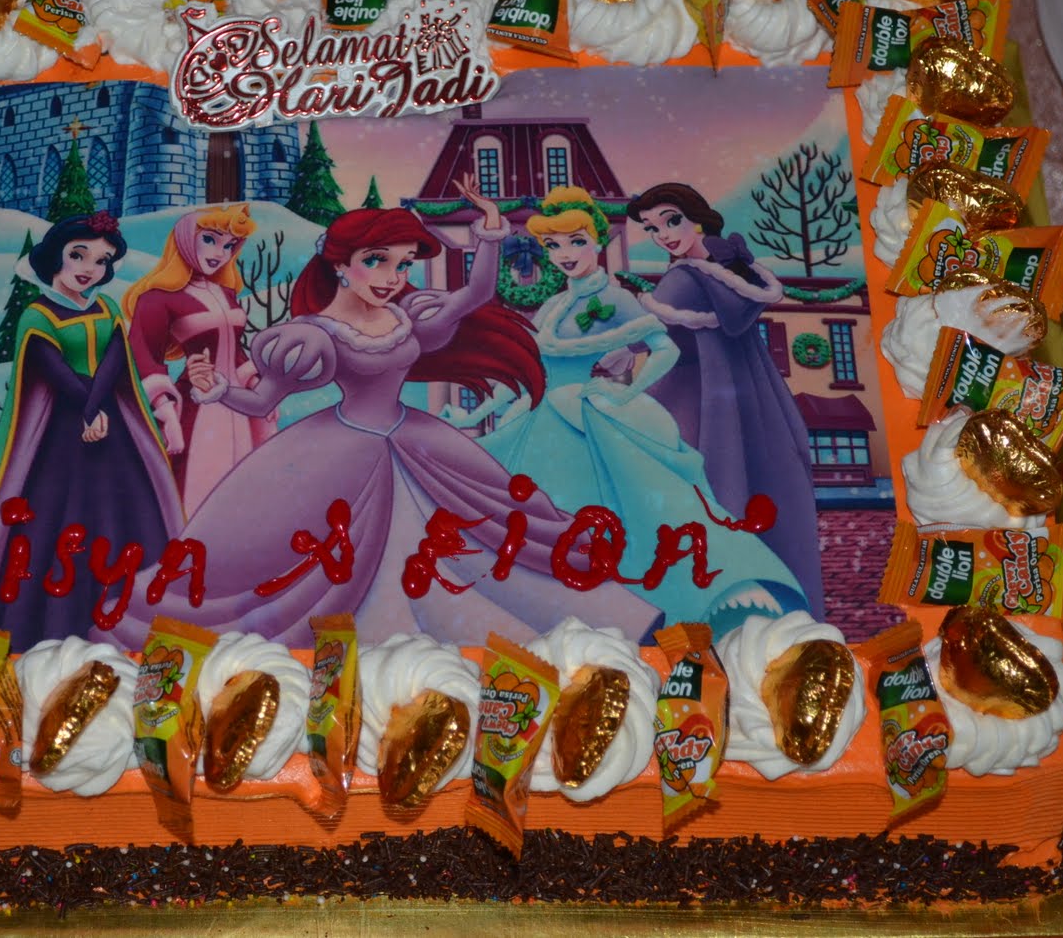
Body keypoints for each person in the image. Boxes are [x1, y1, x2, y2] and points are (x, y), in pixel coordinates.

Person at [106, 175, 665, 650]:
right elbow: (263, 402)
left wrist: (490, 231)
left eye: (401, 264)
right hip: (341, 452)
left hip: (417, 440)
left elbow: (474, 295)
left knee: (491, 534)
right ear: (342, 266)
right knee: (339, 560)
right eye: (376, 261)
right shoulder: (314, 335)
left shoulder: (406, 316)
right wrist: (216, 391)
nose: (391, 276)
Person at [473, 187, 808, 631]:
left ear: (598, 241)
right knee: (527, 519)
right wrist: (476, 415)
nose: (565, 254)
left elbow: (665, 350)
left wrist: (624, 396)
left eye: (576, 241)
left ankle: (693, 597)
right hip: (540, 423)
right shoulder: (553, 305)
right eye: (553, 245)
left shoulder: (616, 299)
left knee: (638, 510)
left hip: (587, 420)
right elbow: (528, 371)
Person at [0, 211, 184, 651]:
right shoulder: (37, 315)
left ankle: (131, 611)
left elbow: (115, 361)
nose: (89, 268)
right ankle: (59, 623)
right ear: (55, 255)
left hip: (110, 427)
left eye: (101, 260)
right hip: (61, 435)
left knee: (124, 513)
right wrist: (86, 412)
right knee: (62, 522)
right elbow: (51, 369)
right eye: (79, 255)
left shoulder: (107, 307)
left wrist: (97, 409)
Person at [626, 182, 824, 614]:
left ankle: (698, 599)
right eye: (652, 228)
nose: (663, 235)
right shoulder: (734, 274)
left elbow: (645, 332)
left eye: (671, 220)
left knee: (679, 489)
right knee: (754, 485)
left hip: (694, 398)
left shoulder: (682, 279)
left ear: (697, 218)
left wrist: (610, 351)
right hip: (753, 398)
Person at [124, 204, 276, 515]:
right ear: (184, 239)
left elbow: (235, 350)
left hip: (239, 403)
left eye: (229, 245)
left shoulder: (225, 292)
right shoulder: (157, 298)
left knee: (243, 482)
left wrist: (257, 385)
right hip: (198, 403)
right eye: (210, 239)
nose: (220, 252)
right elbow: (143, 356)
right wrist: (164, 409)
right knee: (198, 486)